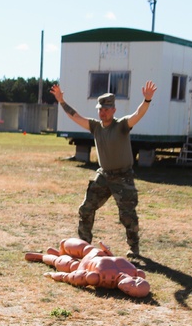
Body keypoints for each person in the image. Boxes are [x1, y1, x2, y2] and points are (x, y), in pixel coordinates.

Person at [52, 80, 157, 259]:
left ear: (114, 110)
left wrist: (146, 100)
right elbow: (75, 116)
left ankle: (134, 248)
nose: (103, 112)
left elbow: (138, 114)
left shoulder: (122, 125)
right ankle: (83, 246)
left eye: (106, 109)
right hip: (104, 175)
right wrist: (61, 101)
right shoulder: (95, 127)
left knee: (127, 215)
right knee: (85, 209)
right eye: (100, 109)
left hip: (123, 177)